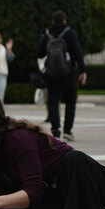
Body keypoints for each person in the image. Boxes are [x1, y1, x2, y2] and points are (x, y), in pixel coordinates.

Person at [36, 11, 86, 140]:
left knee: (53, 101)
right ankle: (68, 130)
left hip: (51, 74)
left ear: (53, 21)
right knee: (70, 101)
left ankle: (55, 129)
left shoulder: (47, 34)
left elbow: (40, 54)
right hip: (68, 73)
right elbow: (78, 52)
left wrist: (44, 39)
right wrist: (82, 71)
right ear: (65, 20)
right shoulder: (70, 33)